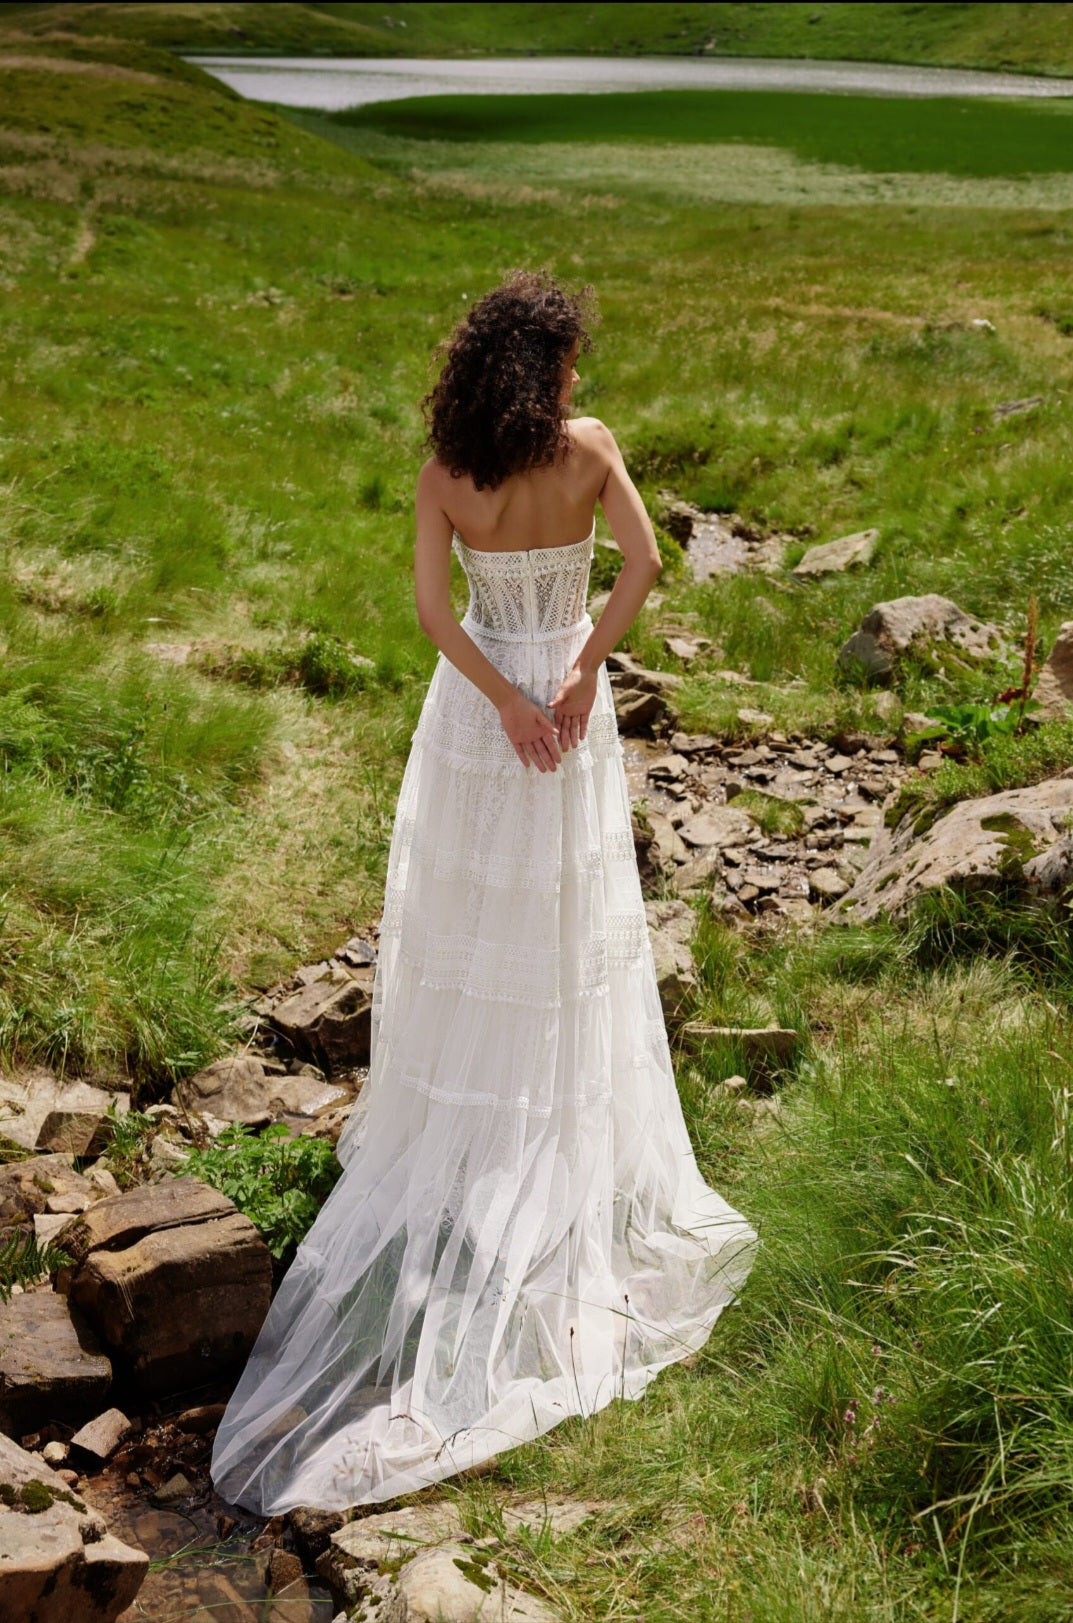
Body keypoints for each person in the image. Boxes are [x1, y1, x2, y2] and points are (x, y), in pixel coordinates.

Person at [210, 270, 756, 1515]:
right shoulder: (589, 450)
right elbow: (644, 563)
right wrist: (572, 675)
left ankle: (462, 1128)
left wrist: (504, 695)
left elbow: (428, 613)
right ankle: (542, 1128)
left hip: (476, 719)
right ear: (546, 369)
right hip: (565, 705)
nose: (576, 384)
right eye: (567, 363)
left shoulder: (444, 472)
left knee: (469, 916)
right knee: (559, 914)